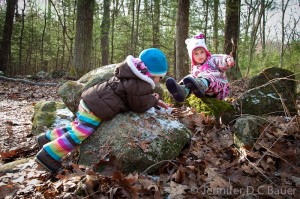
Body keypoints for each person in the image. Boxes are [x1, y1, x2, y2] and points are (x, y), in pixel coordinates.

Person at [35, 48, 169, 173]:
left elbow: (136, 97)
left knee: (75, 127)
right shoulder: (139, 84)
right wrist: (153, 100)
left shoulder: (131, 76)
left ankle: (46, 138)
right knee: (81, 132)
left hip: (90, 101)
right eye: (160, 77)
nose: (160, 81)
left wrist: (154, 99)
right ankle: (48, 154)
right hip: (95, 109)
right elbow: (138, 105)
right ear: (151, 74)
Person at [166, 32, 235, 102]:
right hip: (205, 92)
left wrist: (227, 60)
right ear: (192, 57)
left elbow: (220, 59)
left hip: (220, 88)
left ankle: (201, 84)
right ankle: (182, 90)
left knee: (208, 76)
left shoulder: (212, 59)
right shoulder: (195, 67)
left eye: (202, 52)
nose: (200, 56)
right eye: (196, 54)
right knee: (190, 77)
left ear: (205, 52)